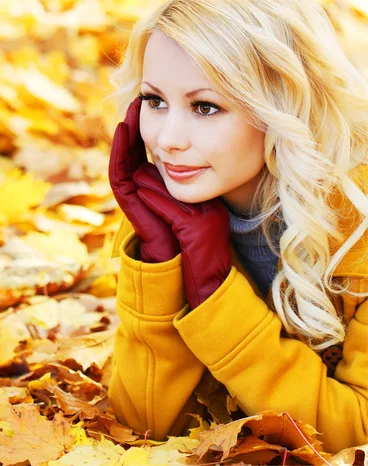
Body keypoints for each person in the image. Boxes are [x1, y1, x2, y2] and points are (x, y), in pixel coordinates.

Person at [106, 0, 368, 454]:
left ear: (283, 107)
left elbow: (354, 438)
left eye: (205, 107)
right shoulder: (173, 215)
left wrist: (215, 291)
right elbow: (141, 426)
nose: (168, 140)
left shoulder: (358, 227)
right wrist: (159, 257)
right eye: (154, 101)